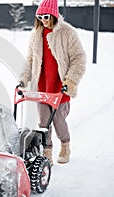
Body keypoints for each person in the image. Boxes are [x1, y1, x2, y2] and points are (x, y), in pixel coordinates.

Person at [19, 0, 86, 165]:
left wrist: (71, 80)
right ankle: (46, 151)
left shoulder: (67, 33)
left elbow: (79, 58)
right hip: (42, 85)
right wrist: (23, 78)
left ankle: (65, 145)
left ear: (54, 15)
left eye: (46, 16)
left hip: (60, 86)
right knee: (43, 123)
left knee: (58, 121)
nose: (43, 20)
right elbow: (30, 60)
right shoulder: (36, 34)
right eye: (39, 16)